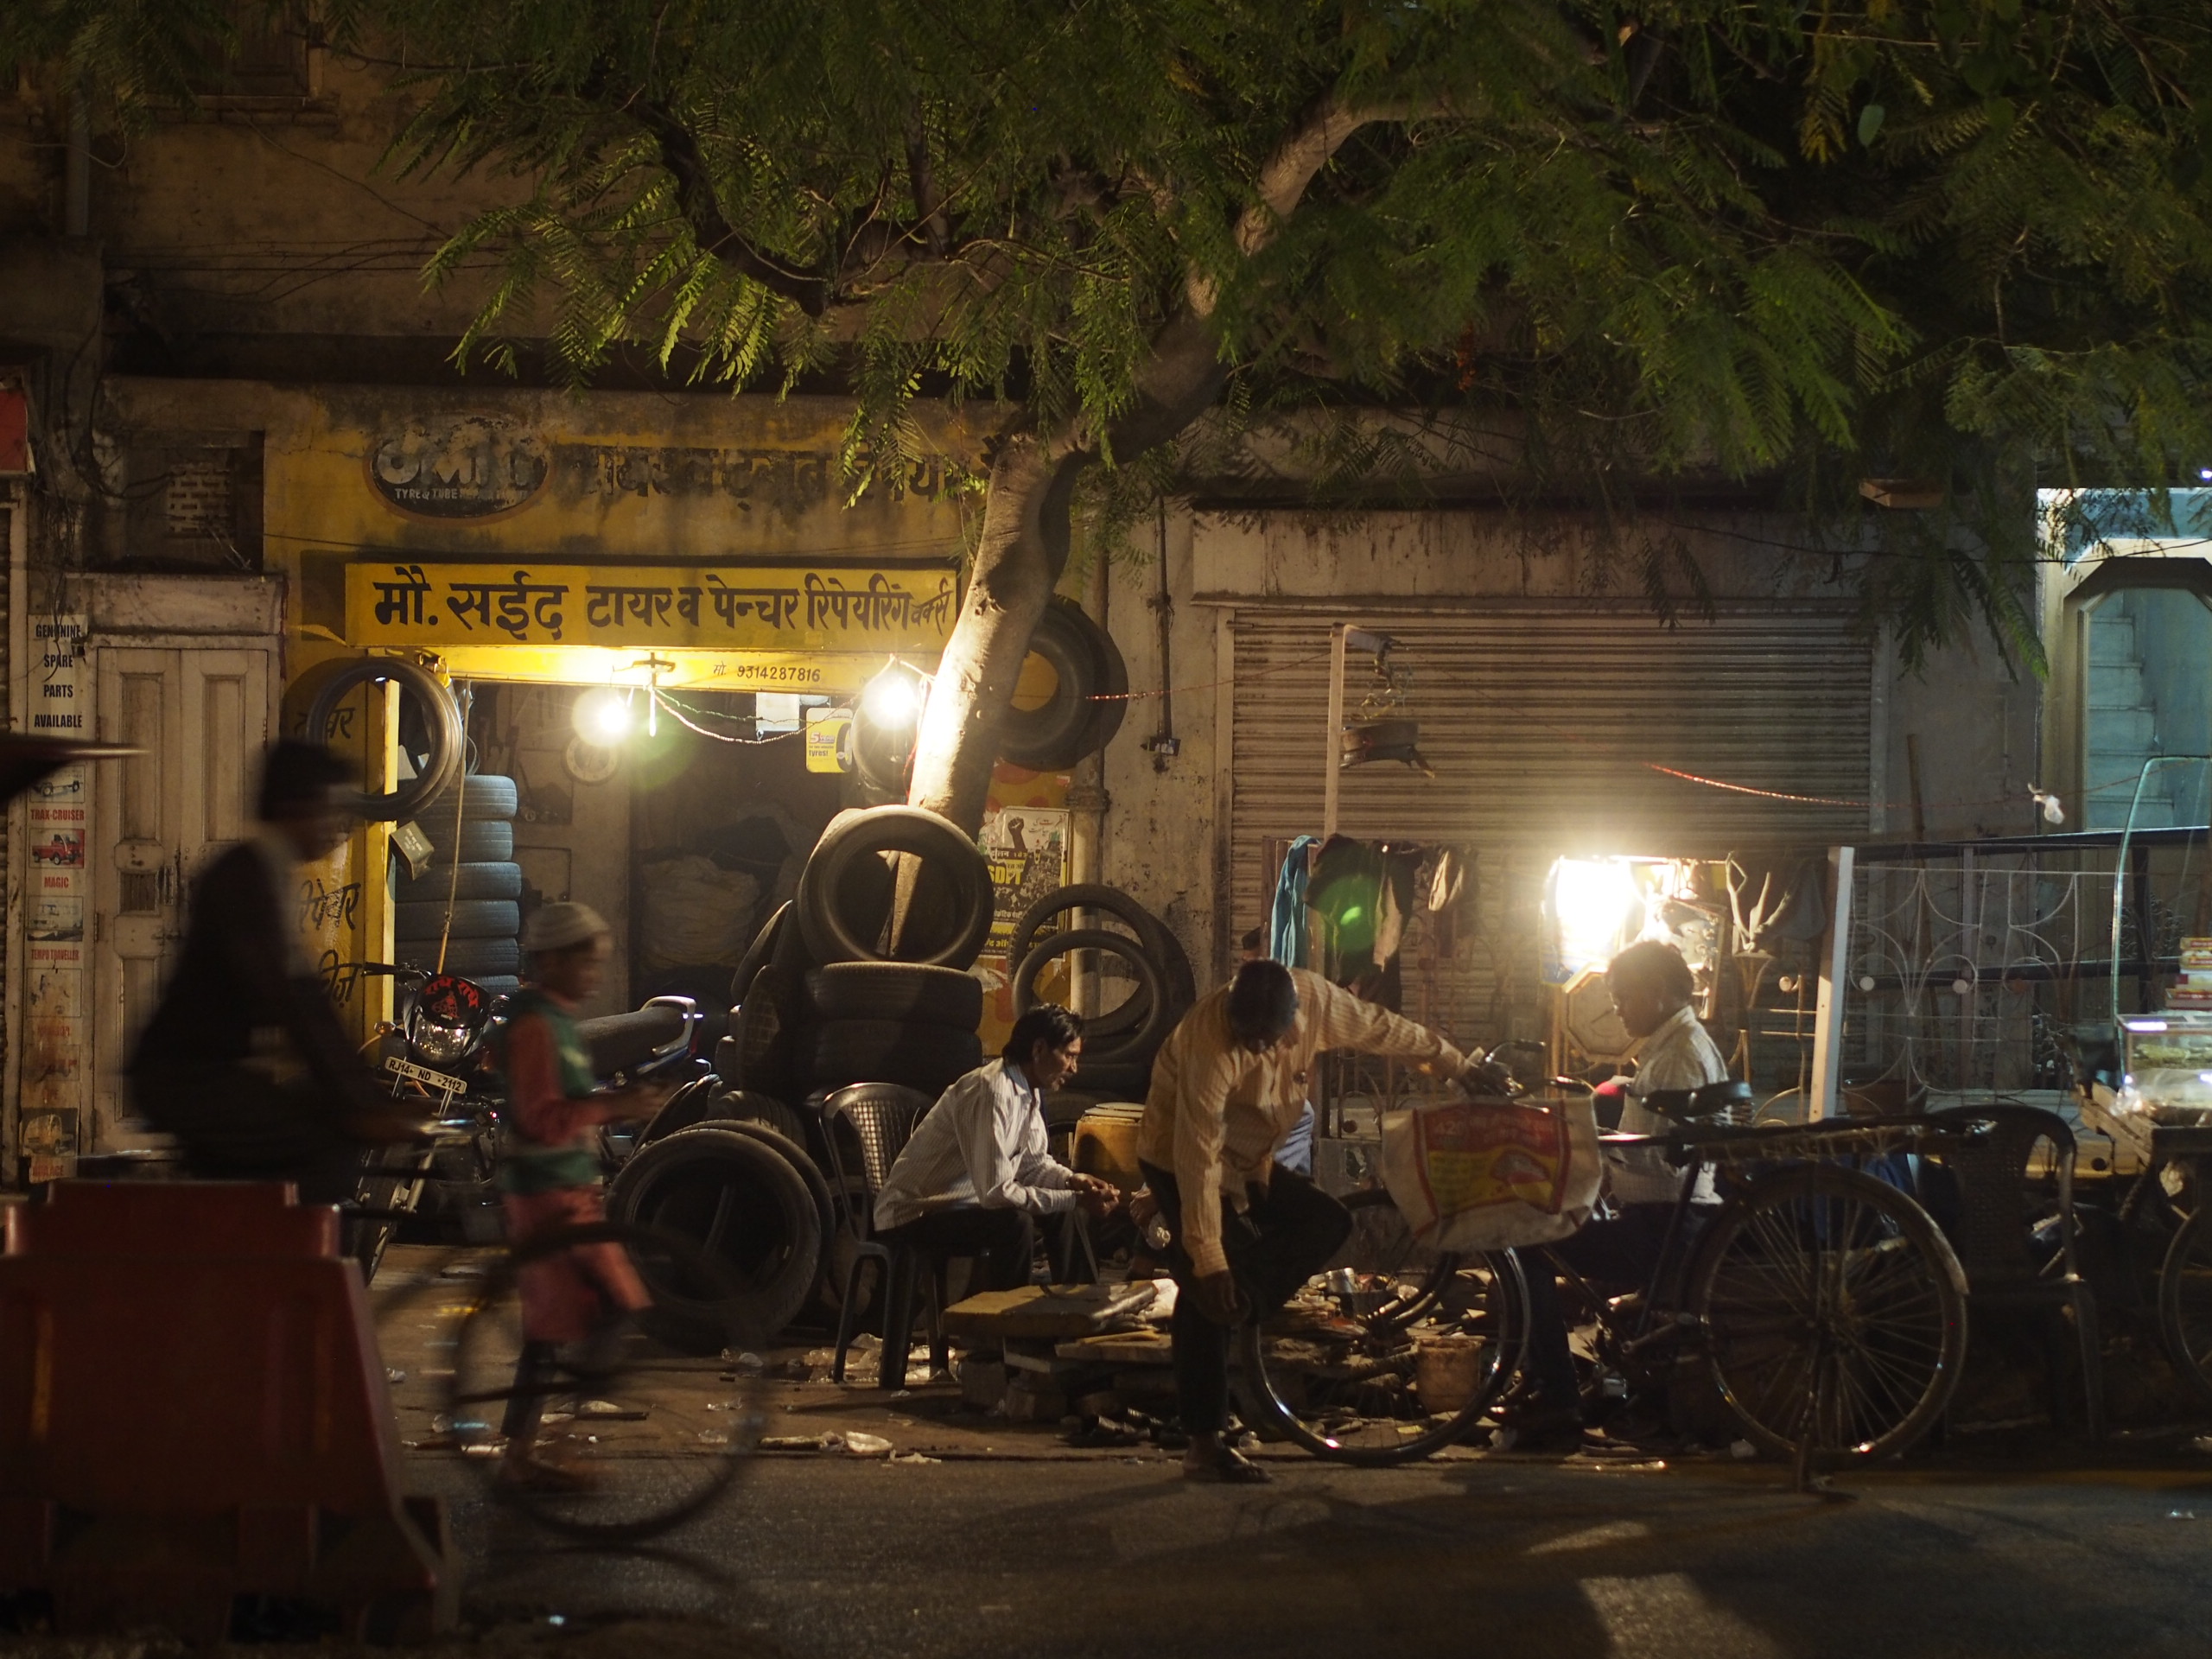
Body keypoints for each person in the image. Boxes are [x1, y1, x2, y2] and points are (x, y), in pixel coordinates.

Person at [1138, 958, 1474, 1484]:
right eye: (1246, 1038)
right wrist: (1210, 1260)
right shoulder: (1210, 1043)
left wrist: (1458, 1065)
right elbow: (1197, 1157)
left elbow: (1384, 1029)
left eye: (1265, 1039)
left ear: (1293, 1019)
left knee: (1327, 1221)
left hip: (1250, 1158)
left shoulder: (1318, 1002)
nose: (1254, 1048)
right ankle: (1203, 1443)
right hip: (1176, 1159)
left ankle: (1235, 1308)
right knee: (1205, 1287)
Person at [130, 740, 418, 1202]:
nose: (338, 824)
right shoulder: (246, 878)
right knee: (324, 1141)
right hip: (187, 1079)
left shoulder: (264, 870)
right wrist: (361, 1106)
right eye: (330, 808)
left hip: (203, 1072)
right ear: (293, 808)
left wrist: (369, 1096)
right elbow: (292, 1000)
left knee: (315, 1113)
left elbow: (305, 1000)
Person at [1516, 938, 1731, 1447]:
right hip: (1666, 1217)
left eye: (1623, 997)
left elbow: (1662, 1157)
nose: (1617, 1008)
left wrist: (1589, 1146)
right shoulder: (1674, 1044)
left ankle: (1556, 1394)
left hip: (1666, 1226)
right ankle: (1579, 1380)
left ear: (1657, 992)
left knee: (1529, 1246)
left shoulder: (1679, 1056)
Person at [494, 901, 673, 1490]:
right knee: (606, 1307)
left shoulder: (558, 1020)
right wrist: (613, 1107)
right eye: (586, 962)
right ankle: (550, 1442)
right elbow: (540, 1117)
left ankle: (526, 1450)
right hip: (546, 1196)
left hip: (567, 1191)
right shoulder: (535, 1027)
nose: (594, 975)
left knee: (557, 1325)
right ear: (550, 960)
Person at [875, 1003, 1120, 1292]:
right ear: (1039, 1049)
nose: (1073, 1068)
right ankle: (1006, 1318)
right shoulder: (991, 1090)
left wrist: (1071, 1182)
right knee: (1016, 1223)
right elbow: (996, 1193)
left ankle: (1079, 1305)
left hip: (966, 1203)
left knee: (1070, 1211)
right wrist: (1073, 1199)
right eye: (1069, 1056)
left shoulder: (1028, 1090)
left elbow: (1032, 1166)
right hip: (915, 1214)